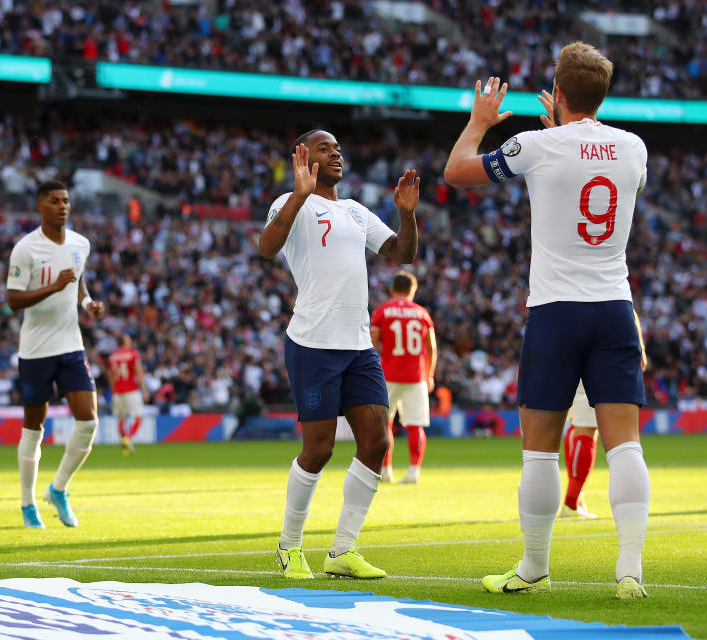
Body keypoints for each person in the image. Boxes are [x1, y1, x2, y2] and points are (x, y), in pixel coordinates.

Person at [443, 42, 651, 600]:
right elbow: (601, 171)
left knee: (539, 447)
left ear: (556, 93)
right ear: (601, 93)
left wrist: (479, 122)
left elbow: (456, 172)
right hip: (613, 307)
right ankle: (629, 572)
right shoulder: (633, 148)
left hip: (556, 310)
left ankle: (535, 565)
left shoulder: (535, 144)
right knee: (624, 446)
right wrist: (565, 133)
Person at [258, 129, 420, 579]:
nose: (337, 153)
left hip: (358, 344)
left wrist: (407, 216)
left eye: (339, 148)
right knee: (319, 449)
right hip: (313, 342)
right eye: (325, 147)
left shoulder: (354, 211)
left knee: (378, 442)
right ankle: (289, 548)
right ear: (304, 155)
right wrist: (298, 195)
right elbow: (266, 248)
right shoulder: (290, 203)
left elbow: (401, 253)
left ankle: (342, 551)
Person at [6, 180, 106, 529]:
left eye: (65, 201)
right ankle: (27, 503)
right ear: (41, 207)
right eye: (54, 201)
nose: (62, 206)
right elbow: (13, 299)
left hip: (70, 345)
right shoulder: (26, 249)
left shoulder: (81, 244)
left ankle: (58, 489)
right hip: (35, 350)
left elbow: (77, 281)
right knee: (34, 428)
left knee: (89, 421)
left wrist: (87, 302)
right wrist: (53, 285)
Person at [562, 309, 648, 519]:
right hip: (598, 361)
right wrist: (640, 350)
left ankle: (575, 498)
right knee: (587, 429)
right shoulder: (613, 293)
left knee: (577, 425)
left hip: (572, 356)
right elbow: (629, 314)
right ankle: (571, 503)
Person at [370, 271, 437, 484]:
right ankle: (413, 472)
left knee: (384, 424)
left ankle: (386, 470)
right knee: (415, 425)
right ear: (412, 290)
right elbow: (432, 347)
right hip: (416, 375)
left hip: (387, 375)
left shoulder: (382, 312)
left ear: (392, 289)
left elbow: (372, 344)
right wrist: (430, 375)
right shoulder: (422, 313)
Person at [107, 334, 148, 455]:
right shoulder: (133, 354)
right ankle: (128, 438)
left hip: (117, 391)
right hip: (131, 390)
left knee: (121, 418)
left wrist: (113, 390)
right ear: (125, 341)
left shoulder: (113, 356)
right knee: (138, 417)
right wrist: (144, 389)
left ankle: (124, 448)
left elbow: (110, 376)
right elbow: (138, 372)